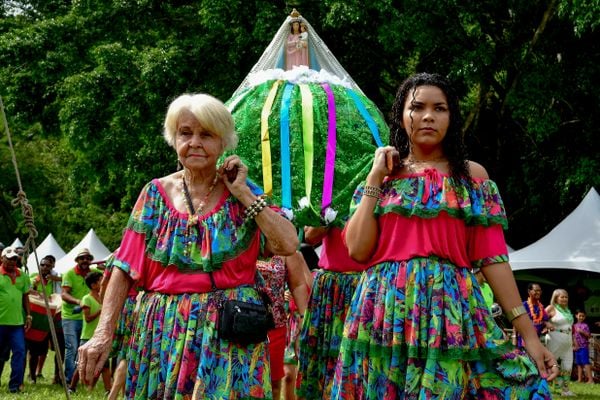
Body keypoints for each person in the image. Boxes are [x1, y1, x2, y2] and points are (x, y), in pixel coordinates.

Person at [331, 73, 559, 398]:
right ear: (400, 115)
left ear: (451, 118)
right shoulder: (382, 175)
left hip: (448, 312)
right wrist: (374, 177)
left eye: (440, 108)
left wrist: (530, 338)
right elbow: (357, 249)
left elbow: (493, 259)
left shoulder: (472, 178)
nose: (428, 116)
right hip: (381, 312)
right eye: (418, 107)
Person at [77, 93, 298, 399]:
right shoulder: (154, 193)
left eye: (206, 134)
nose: (195, 142)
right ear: (173, 138)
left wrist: (244, 195)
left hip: (229, 334)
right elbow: (124, 267)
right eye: (186, 133)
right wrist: (103, 333)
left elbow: (288, 243)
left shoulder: (243, 192)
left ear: (224, 142)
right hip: (163, 331)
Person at [297, 226, 368, 399]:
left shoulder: (378, 197)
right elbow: (310, 237)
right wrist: (330, 207)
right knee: (321, 361)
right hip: (331, 288)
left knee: (359, 363)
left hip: (365, 285)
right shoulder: (328, 196)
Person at [257, 252, 311, 400]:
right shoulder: (245, 238)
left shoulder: (286, 247)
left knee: (274, 383)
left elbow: (299, 284)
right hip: (246, 322)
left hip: (276, 324)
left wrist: (303, 317)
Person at [69, 271, 111, 394]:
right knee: (81, 364)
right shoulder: (86, 299)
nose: (103, 282)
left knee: (105, 365)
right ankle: (72, 387)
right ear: (93, 285)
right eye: (100, 281)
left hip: (100, 337)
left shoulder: (102, 297)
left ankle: (108, 390)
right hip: (88, 337)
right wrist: (101, 311)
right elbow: (88, 319)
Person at [61, 248, 97, 385]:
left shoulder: (95, 274)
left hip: (88, 319)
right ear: (77, 260)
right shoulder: (69, 273)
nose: (85, 261)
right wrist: (78, 302)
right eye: (82, 258)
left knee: (87, 349)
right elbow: (64, 294)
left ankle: (83, 378)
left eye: (88, 258)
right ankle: (69, 379)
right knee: (72, 347)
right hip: (70, 316)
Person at [0, 246, 32, 393]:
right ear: (2, 259)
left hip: (17, 323)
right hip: (0, 323)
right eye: (9, 259)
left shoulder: (23, 277)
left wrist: (29, 315)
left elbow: (26, 297)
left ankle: (14, 386)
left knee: (20, 352)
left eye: (14, 259)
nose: (12, 262)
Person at [26, 255, 62, 383]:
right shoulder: (34, 277)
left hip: (52, 316)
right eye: (42, 265)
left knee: (53, 348)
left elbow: (64, 280)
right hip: (36, 317)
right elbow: (28, 290)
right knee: (34, 349)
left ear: (53, 266)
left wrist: (55, 278)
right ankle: (32, 376)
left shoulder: (55, 279)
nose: (45, 267)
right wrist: (36, 290)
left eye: (48, 265)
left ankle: (56, 377)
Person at [545, 288, 575, 396]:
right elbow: (539, 318)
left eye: (566, 297)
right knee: (550, 364)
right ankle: (545, 389)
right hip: (554, 338)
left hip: (568, 340)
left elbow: (571, 327)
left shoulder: (567, 311)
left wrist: (574, 341)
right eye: (562, 297)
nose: (565, 299)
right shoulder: (551, 308)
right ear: (556, 298)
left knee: (568, 365)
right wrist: (547, 324)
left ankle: (565, 390)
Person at [519, 283, 553, 347]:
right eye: (536, 290)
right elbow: (517, 321)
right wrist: (514, 337)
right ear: (529, 291)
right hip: (524, 339)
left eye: (540, 290)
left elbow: (545, 320)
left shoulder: (541, 307)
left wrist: (546, 326)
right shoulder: (523, 305)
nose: (538, 292)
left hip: (537, 340)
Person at [573, 309, 595, 383]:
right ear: (576, 316)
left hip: (584, 347)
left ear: (585, 317)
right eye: (580, 316)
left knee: (585, 363)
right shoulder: (574, 326)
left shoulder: (585, 326)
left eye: (583, 316)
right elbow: (573, 336)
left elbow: (589, 335)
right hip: (577, 348)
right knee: (578, 363)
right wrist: (574, 345)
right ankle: (579, 379)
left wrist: (582, 331)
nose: (581, 317)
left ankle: (590, 379)